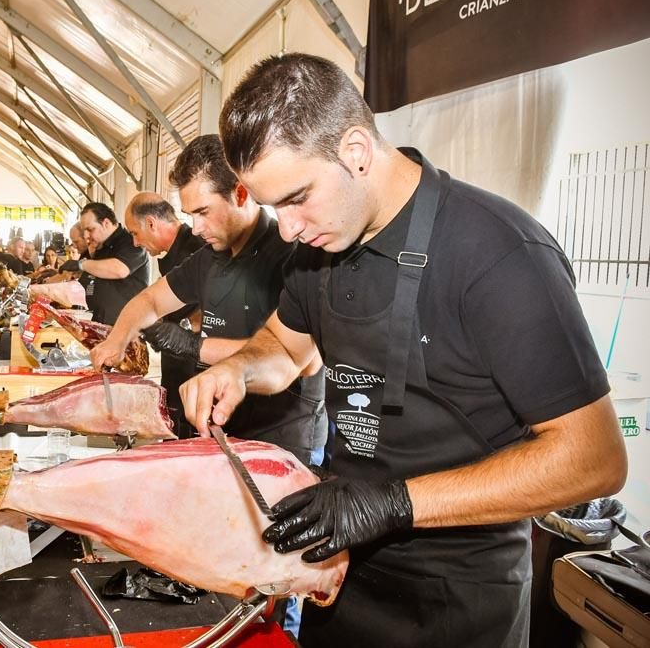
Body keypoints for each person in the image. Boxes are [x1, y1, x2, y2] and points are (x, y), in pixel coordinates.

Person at [180, 54, 627, 647]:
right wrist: (238, 368)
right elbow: (285, 350)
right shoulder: (316, 249)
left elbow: (594, 457)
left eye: (296, 198)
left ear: (357, 150)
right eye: (272, 208)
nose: (285, 229)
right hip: (338, 567)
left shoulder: (498, 254)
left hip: (458, 596)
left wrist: (392, 504)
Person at [91, 138, 324, 463]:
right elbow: (149, 301)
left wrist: (191, 345)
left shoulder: (291, 257)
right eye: (190, 215)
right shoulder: (209, 258)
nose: (196, 228)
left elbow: (295, 360)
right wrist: (116, 340)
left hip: (282, 437)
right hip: (226, 428)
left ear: (240, 193)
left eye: (203, 212)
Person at [122, 191, 205, 437]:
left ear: (151, 223)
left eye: (135, 234)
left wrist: (149, 323)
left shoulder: (197, 247)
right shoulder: (168, 255)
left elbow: (186, 305)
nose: (135, 243)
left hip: (196, 365)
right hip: (176, 365)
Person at [75, 202, 150, 325]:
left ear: (106, 223)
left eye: (90, 229)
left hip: (125, 325)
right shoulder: (100, 246)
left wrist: (82, 264)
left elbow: (119, 269)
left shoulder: (131, 242)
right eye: (84, 231)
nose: (86, 236)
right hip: (98, 320)